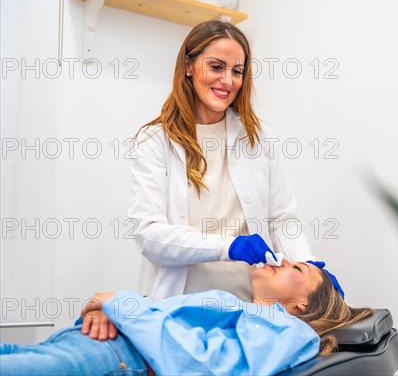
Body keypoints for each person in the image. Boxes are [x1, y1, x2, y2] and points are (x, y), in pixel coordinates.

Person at [129, 20, 315, 302]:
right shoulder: (155, 140)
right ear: (188, 66)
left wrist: (310, 271)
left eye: (237, 71)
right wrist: (228, 246)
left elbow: (282, 219)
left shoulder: (259, 137)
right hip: (182, 303)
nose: (228, 81)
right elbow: (149, 235)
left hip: (250, 305)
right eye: (216, 67)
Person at [0, 260, 372, 376]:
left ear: (302, 306)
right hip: (93, 341)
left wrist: (122, 305)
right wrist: (106, 309)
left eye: (296, 268)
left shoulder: (289, 331)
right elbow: (162, 320)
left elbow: (200, 364)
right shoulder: (246, 311)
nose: (280, 260)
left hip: (117, 358)